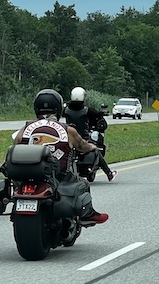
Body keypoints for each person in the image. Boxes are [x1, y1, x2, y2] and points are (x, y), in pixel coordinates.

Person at [14, 89, 109, 225]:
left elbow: (15, 147)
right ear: (58, 108)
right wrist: (92, 147)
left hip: (26, 174)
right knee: (84, 183)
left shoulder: (25, 128)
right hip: (58, 175)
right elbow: (82, 146)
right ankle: (87, 214)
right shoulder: (68, 130)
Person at [62, 86, 116, 181]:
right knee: (95, 150)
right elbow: (97, 114)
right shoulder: (86, 110)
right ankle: (109, 173)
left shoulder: (66, 110)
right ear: (83, 97)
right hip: (83, 138)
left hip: (69, 138)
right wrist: (103, 113)